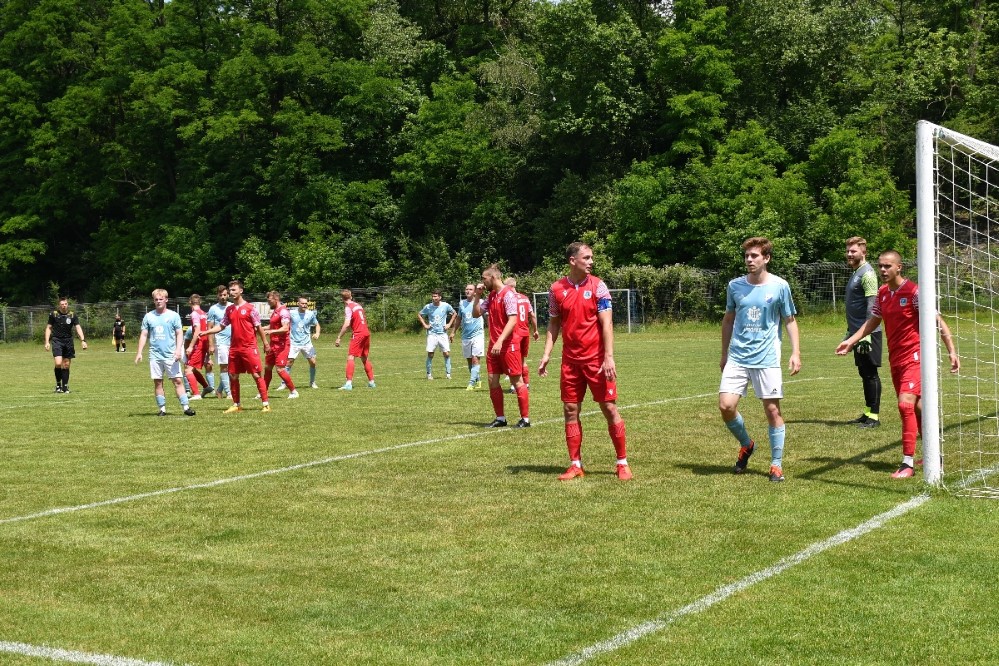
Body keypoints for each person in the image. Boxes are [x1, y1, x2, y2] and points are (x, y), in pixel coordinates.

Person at [836, 250, 960, 478]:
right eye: (880, 266)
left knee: (905, 405)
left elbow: (937, 321)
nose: (883, 270)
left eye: (887, 266)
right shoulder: (883, 293)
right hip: (896, 359)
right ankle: (935, 456)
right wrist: (851, 341)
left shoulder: (914, 292)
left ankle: (907, 463)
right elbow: (872, 321)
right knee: (919, 409)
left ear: (899, 267)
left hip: (916, 356)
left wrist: (951, 351)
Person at [538, 242, 630, 480]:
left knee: (609, 408)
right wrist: (547, 354)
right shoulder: (556, 289)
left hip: (596, 361)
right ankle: (575, 464)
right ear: (572, 261)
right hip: (570, 361)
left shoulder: (599, 287)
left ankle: (622, 463)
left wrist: (609, 357)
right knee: (570, 410)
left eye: (591, 258)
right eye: (586, 258)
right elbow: (554, 323)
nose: (591, 262)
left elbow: (607, 323)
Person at [719, 237, 801, 483]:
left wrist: (796, 352)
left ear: (766, 258)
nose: (749, 260)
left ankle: (776, 464)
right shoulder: (735, 286)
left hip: (767, 358)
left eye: (754, 256)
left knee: (773, 410)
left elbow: (790, 320)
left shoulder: (780, 286)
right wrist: (724, 354)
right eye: (747, 256)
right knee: (726, 406)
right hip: (738, 356)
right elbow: (728, 320)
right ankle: (747, 444)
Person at [194, 279, 272, 413]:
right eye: (230, 290)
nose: (231, 292)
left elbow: (258, 327)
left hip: (249, 347)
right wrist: (207, 331)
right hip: (234, 348)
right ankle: (236, 404)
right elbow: (221, 325)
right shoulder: (229, 309)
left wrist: (265, 343)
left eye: (234, 290)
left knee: (256, 375)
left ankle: (266, 404)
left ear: (241, 291)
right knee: (233, 375)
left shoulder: (250, 308)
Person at [473, 265, 530, 428]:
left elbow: (513, 320)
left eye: (484, 278)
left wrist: (500, 341)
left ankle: (525, 419)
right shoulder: (491, 296)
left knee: (516, 380)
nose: (482, 282)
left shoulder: (508, 295)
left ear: (493, 277)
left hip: (508, 345)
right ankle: (500, 418)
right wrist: (478, 296)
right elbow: (476, 314)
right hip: (494, 345)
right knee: (492, 380)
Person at [841, 237, 883, 428]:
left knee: (871, 373)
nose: (850, 254)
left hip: (868, 333)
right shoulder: (856, 272)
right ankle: (867, 412)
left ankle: (874, 416)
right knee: (864, 372)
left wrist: (865, 334)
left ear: (863, 252)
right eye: (848, 251)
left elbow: (871, 307)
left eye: (853, 251)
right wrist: (850, 333)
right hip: (858, 332)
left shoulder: (867, 274)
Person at [133, 289, 196, 417]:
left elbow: (179, 334)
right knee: (158, 382)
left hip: (170, 355)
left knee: (177, 380)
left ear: (166, 300)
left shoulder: (173, 316)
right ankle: (162, 409)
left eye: (161, 299)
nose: (158, 301)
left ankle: (186, 407)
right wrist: (139, 352)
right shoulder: (149, 316)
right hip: (155, 355)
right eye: (156, 299)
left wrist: (178, 350)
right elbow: (144, 334)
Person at [44, 297, 88, 393]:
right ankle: (58, 385)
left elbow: (78, 328)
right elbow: (48, 328)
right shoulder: (53, 314)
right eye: (62, 304)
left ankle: (65, 386)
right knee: (58, 363)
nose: (64, 306)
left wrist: (83, 340)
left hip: (68, 341)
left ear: (67, 304)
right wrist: (47, 341)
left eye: (65, 304)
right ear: (59, 305)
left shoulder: (72, 315)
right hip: (57, 340)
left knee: (66, 364)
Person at [260, 290, 299, 399]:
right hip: (273, 344)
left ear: (276, 299)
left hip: (282, 345)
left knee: (280, 369)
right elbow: (272, 326)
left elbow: (285, 328)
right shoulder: (275, 311)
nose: (268, 302)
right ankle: (264, 392)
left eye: (270, 300)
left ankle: (293, 391)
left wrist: (271, 332)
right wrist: (260, 328)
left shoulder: (283, 312)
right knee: (267, 368)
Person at [335, 289, 375, 390]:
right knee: (364, 357)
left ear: (342, 299)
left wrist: (339, 337)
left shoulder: (348, 308)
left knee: (351, 357)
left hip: (358, 334)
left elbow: (347, 324)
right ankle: (371, 382)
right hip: (366, 332)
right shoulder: (358, 305)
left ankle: (348, 384)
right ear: (351, 296)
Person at [505, 277, 540, 392]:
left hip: (515, 334)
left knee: (512, 360)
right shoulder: (525, 298)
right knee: (522, 360)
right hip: (525, 332)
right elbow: (533, 315)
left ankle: (514, 386)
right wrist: (535, 330)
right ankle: (527, 384)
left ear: (509, 287)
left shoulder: (510, 299)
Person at [452, 284, 485, 390]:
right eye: (466, 289)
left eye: (470, 289)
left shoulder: (481, 302)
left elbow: (488, 316)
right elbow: (459, 318)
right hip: (466, 336)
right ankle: (477, 379)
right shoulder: (462, 303)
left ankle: (471, 383)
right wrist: (453, 332)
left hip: (478, 335)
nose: (468, 291)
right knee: (470, 360)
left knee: (475, 358)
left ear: (475, 292)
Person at [418, 289, 456, 380]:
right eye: (433, 296)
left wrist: (449, 324)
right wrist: (425, 325)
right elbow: (419, 314)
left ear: (440, 297)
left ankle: (448, 374)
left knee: (446, 353)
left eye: (435, 296)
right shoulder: (428, 306)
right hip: (432, 333)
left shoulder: (445, 305)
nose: (433, 298)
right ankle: (429, 374)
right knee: (430, 354)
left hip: (442, 333)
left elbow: (454, 313)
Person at [286, 296, 321, 389]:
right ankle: (283, 383)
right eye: (302, 303)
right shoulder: (291, 313)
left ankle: (312, 382)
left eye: (306, 303)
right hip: (293, 342)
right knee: (289, 362)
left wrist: (317, 333)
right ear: (298, 304)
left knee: (313, 362)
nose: (305, 305)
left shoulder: (310, 314)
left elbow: (317, 324)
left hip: (306, 343)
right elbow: (284, 324)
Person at [184, 294, 212, 400]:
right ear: (199, 302)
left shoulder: (194, 314)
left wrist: (191, 346)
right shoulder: (204, 314)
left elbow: (197, 331)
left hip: (199, 344)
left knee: (188, 370)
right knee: (192, 368)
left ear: (190, 302)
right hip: (204, 343)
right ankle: (206, 387)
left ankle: (196, 394)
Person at [206, 285, 232, 399]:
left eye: (225, 295)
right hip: (220, 341)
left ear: (228, 295)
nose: (223, 297)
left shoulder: (232, 306)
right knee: (224, 367)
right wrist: (211, 344)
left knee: (232, 368)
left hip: (233, 341)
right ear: (217, 295)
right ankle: (229, 393)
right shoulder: (213, 309)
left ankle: (219, 390)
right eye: (220, 295)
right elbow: (210, 327)